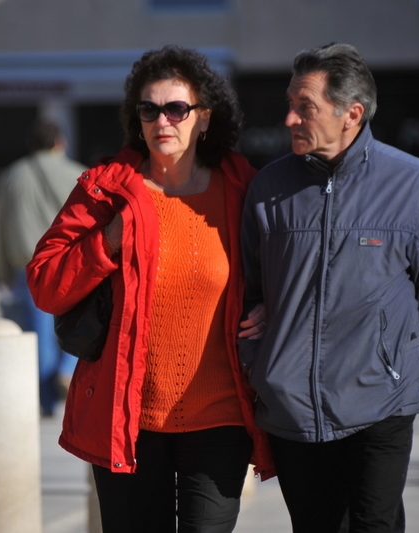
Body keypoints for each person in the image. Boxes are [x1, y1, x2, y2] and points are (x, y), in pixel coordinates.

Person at [240, 43, 419, 533]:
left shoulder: (413, 183)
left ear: (351, 114)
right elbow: (247, 294)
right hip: (293, 411)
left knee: (374, 524)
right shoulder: (267, 189)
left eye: (305, 107)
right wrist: (259, 359)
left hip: (381, 403)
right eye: (290, 103)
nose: (289, 118)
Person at [26, 45, 274, 533]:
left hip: (221, 417)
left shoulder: (242, 187)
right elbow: (45, 283)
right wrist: (107, 240)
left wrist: (271, 305)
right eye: (149, 109)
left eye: (177, 108)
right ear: (136, 119)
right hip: (129, 419)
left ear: (204, 117)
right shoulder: (106, 189)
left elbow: (285, 264)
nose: (163, 120)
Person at [0, 120, 86, 416]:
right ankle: (67, 369)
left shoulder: (11, 176)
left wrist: (0, 271)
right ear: (60, 143)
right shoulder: (78, 174)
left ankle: (46, 403)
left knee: (40, 336)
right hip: (70, 263)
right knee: (81, 323)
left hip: (28, 266)